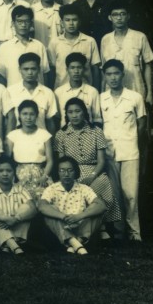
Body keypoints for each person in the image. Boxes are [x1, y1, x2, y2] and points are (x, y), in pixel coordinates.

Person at [55, 97, 122, 234]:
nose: (74, 115)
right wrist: (69, 174)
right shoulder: (61, 134)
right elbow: (62, 162)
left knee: (101, 185)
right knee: (77, 189)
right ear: (66, 115)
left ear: (84, 112)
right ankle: (83, 226)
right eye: (70, 112)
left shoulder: (96, 131)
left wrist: (92, 176)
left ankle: (103, 225)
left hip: (94, 170)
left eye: (77, 111)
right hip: (71, 172)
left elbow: (101, 161)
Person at [99, 59, 148, 241]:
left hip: (129, 151)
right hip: (109, 153)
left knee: (131, 194)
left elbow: (142, 124)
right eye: (109, 74)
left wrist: (134, 141)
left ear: (122, 74)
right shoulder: (101, 99)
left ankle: (134, 233)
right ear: (105, 76)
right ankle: (118, 233)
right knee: (113, 194)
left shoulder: (135, 97)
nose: (113, 78)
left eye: (116, 73)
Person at [39, 157, 107, 255]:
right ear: (57, 172)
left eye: (70, 170)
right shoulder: (51, 189)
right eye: (62, 170)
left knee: (97, 211)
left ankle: (75, 243)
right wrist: (63, 216)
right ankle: (76, 243)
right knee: (49, 213)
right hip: (61, 228)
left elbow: (101, 206)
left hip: (81, 226)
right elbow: (42, 207)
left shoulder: (84, 188)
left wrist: (79, 216)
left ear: (76, 172)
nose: (66, 174)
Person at [0, 155, 37, 254]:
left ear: (14, 172)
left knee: (26, 207)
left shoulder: (20, 189)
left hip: (16, 230)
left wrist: (16, 218)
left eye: (9, 171)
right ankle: (13, 245)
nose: (5, 174)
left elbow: (33, 209)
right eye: (1, 171)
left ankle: (8, 245)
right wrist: (5, 218)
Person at [99, 3, 153, 104]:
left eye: (122, 14)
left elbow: (148, 65)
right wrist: (102, 93)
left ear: (128, 16)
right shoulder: (105, 39)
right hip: (111, 93)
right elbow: (103, 69)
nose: (119, 18)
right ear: (110, 17)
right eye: (115, 15)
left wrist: (150, 93)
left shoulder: (140, 37)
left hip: (136, 89)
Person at [6, 99, 55, 195]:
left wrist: (44, 176)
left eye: (31, 114)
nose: (28, 117)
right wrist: (13, 177)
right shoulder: (12, 135)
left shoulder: (44, 134)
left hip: (40, 174)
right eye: (24, 114)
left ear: (36, 116)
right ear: (19, 115)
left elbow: (50, 161)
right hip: (18, 175)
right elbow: (7, 160)